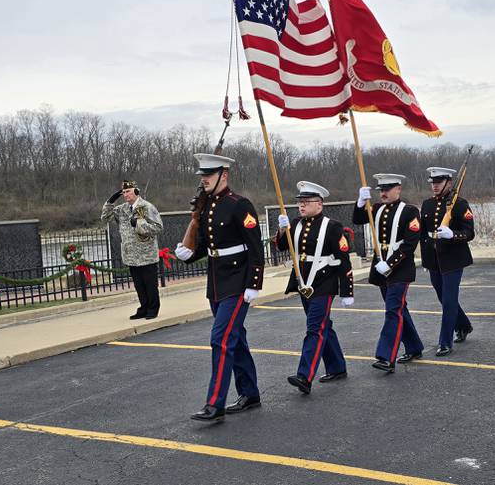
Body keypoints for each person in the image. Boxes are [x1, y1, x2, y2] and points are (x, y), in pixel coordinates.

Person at [175, 153, 264, 421]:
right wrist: (190, 254)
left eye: (209, 176)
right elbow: (207, 245)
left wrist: (254, 284)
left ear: (223, 176)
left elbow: (256, 247)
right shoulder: (206, 206)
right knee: (235, 338)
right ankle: (250, 393)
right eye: (202, 176)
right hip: (216, 281)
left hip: (238, 281)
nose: (204, 180)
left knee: (220, 338)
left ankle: (215, 404)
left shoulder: (240, 205)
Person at [276, 181, 354, 394]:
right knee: (323, 326)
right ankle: (337, 367)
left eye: (306, 202)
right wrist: (283, 230)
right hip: (304, 283)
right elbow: (283, 246)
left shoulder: (333, 226)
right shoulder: (296, 223)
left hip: (324, 283)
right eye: (299, 202)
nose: (301, 206)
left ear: (319, 204)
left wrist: (347, 291)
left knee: (314, 329)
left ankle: (305, 375)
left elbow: (343, 260)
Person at [353, 174, 424, 373]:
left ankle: (386, 356)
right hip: (381, 268)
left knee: (393, 310)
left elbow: (410, 244)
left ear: (398, 189)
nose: (383, 193)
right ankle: (414, 347)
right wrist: (360, 202)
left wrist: (390, 263)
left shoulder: (410, 212)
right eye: (381, 189)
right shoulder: (376, 209)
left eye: (388, 189)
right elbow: (358, 220)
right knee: (399, 308)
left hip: (399, 268)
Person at [419, 166, 475, 356]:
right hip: (434, 259)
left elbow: (469, 233)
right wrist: (425, 259)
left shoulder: (460, 204)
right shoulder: (427, 204)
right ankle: (464, 325)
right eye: (433, 183)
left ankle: (445, 342)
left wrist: (453, 234)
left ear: (449, 183)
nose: (435, 186)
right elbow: (423, 234)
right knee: (443, 298)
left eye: (439, 183)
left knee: (449, 300)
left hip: (453, 259)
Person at [101, 180, 163, 320]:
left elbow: (158, 227)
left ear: (136, 191)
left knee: (150, 285)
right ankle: (144, 307)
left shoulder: (146, 207)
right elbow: (105, 217)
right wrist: (110, 202)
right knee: (139, 286)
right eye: (123, 192)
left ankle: (153, 308)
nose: (125, 194)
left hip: (146, 254)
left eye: (128, 191)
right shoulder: (122, 209)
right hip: (131, 255)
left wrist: (139, 224)